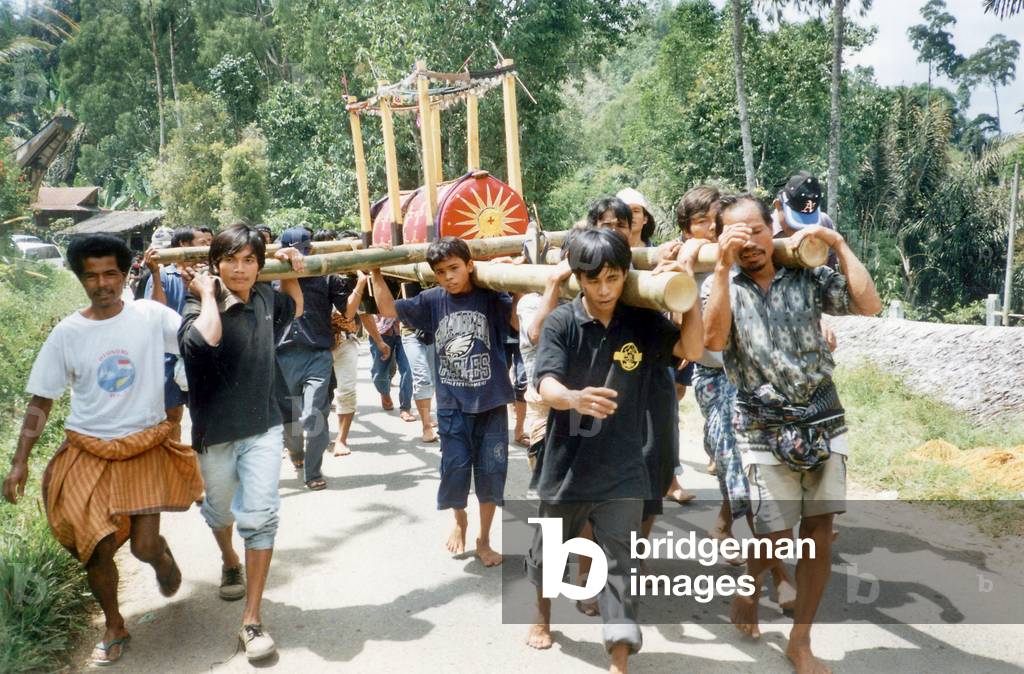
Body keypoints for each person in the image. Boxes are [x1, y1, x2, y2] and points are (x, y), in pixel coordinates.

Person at [2, 234, 203, 667]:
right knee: (96, 547)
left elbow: (199, 340)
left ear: (125, 274)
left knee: (143, 547)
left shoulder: (150, 316)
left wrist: (214, 292)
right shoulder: (67, 334)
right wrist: (20, 462)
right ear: (80, 279)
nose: (102, 284)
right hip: (88, 450)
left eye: (110, 273)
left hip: (144, 445)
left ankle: (160, 556)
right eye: (91, 276)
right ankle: (114, 624)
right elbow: (41, 400)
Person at [703, 194, 881, 674]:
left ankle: (800, 641)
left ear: (773, 229)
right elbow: (714, 341)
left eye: (756, 230)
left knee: (819, 534)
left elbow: (869, 304)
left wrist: (837, 243)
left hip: (822, 417)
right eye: (736, 233)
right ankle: (749, 587)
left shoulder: (807, 273)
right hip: (760, 424)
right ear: (721, 238)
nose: (749, 242)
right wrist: (720, 268)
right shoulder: (720, 284)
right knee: (777, 534)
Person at [525, 228, 703, 674]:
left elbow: (693, 348)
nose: (604, 290)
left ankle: (619, 660)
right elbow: (544, 383)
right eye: (594, 280)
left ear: (625, 275)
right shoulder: (563, 322)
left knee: (620, 564)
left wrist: (689, 291)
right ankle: (541, 617)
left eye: (613, 278)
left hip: (624, 467)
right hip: (566, 465)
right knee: (549, 553)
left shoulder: (641, 321)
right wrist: (573, 398)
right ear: (579, 279)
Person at [178, 223, 305, 661]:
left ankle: (252, 620)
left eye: (249, 260)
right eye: (230, 259)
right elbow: (206, 339)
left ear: (258, 264)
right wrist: (207, 293)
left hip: (263, 427)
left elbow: (294, 307)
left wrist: (290, 269)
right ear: (215, 264)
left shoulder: (266, 296)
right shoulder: (196, 303)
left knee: (261, 516)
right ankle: (229, 559)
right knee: (219, 510)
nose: (240, 269)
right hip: (215, 435)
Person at [370, 237, 516, 568]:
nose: (449, 277)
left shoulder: (491, 296)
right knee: (455, 471)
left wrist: (514, 283)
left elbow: (518, 324)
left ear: (469, 265)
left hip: (491, 402)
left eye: (454, 268)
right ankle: (460, 519)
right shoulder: (433, 300)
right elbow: (388, 310)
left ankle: (484, 539)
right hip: (452, 404)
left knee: (492, 475)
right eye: (440, 272)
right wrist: (375, 273)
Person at [275, 227, 360, 490]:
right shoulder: (271, 274)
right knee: (290, 416)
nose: (299, 258)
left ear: (311, 250)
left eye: (304, 252)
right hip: (284, 355)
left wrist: (361, 284)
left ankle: (313, 471)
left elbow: (347, 312)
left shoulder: (326, 277)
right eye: (295, 253)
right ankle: (295, 451)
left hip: (318, 355)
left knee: (315, 413)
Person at [772, 171, 839, 351]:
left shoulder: (824, 224)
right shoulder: (762, 232)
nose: (802, 230)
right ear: (778, 206)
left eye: (808, 222)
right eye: (795, 222)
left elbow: (824, 279)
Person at [144, 227, 197, 441]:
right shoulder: (164, 276)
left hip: (198, 353)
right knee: (171, 416)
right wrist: (156, 275)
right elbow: (155, 310)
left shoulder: (205, 275)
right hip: (168, 357)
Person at [366, 278, 415, 420]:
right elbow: (364, 313)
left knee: (408, 370)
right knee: (379, 372)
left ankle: (405, 407)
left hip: (405, 329)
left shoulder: (407, 275)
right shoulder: (371, 278)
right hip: (380, 331)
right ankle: (384, 392)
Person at [399, 282, 440, 443]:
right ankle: (426, 426)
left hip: (433, 331)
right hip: (411, 331)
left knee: (433, 379)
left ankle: (428, 416)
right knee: (422, 377)